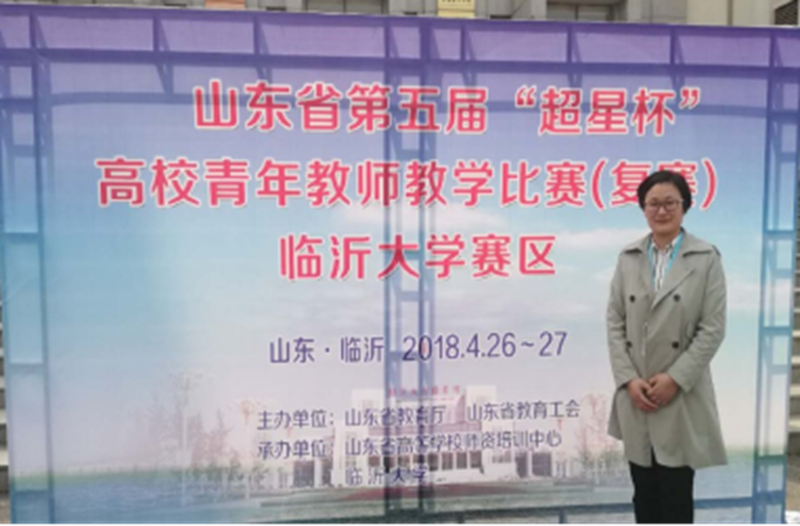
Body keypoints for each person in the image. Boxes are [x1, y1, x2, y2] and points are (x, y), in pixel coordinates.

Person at [606, 170, 727, 525]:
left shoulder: (705, 257)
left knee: (676, 497)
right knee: (643, 494)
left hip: (679, 395)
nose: (661, 211)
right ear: (643, 209)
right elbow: (614, 322)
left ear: (685, 206)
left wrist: (675, 378)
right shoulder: (628, 257)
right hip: (638, 394)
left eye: (670, 203)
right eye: (653, 204)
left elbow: (712, 328)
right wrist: (628, 379)